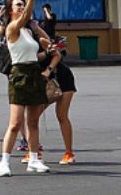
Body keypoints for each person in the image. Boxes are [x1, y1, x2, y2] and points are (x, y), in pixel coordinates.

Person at [0, 0, 51, 178]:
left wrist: (49, 52)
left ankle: (34, 159)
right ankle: (4, 161)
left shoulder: (28, 32)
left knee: (34, 122)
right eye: (17, 5)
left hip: (34, 73)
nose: (21, 8)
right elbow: (26, 18)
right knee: (15, 123)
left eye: (22, 4)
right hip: (19, 75)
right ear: (10, 10)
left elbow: (35, 56)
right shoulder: (12, 28)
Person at [43, 28, 77, 165]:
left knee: (62, 115)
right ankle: (33, 152)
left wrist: (48, 70)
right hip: (44, 82)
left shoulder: (40, 40)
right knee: (32, 116)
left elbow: (57, 55)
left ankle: (69, 153)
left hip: (62, 78)